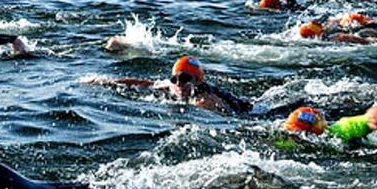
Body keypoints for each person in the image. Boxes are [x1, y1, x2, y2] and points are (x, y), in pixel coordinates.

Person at [83, 55, 253, 115]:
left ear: (198, 81)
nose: (178, 84)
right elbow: (144, 84)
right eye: (174, 79)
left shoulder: (204, 99)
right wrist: (104, 81)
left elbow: (231, 117)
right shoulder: (172, 85)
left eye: (185, 78)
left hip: (249, 111)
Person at [282, 102, 377, 142]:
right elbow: (350, 125)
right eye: (318, 118)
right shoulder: (336, 132)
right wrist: (369, 118)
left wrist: (368, 118)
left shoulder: (336, 132)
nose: (320, 114)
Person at [298, 12, 377, 44]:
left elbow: (336, 20)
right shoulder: (336, 36)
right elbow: (365, 40)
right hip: (373, 35)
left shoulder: (328, 29)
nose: (318, 23)